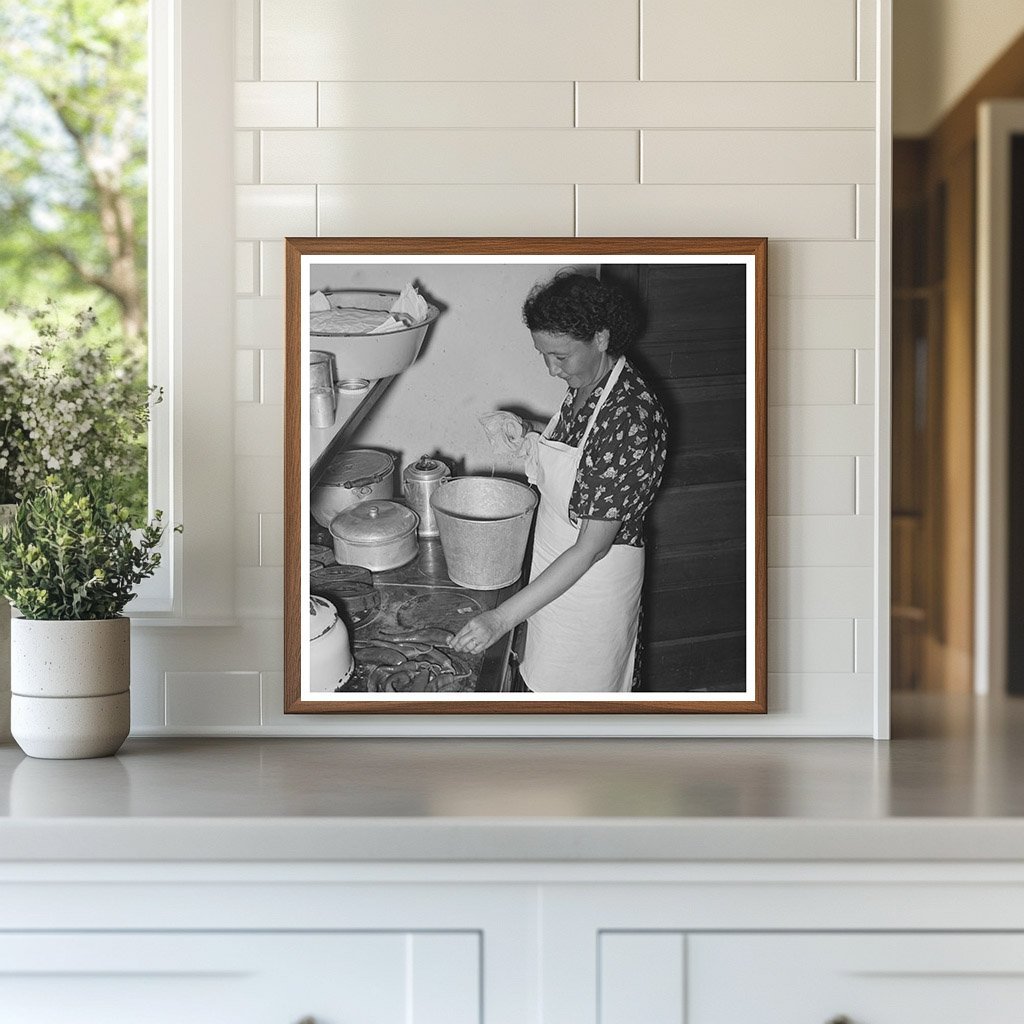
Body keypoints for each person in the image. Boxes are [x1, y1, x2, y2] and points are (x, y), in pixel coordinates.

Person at [451, 271, 668, 692]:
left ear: (601, 338)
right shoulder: (590, 383)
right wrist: (527, 431)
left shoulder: (629, 418)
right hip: (555, 567)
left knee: (581, 704)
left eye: (561, 356)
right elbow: (581, 452)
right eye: (543, 355)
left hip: (591, 586)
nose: (551, 370)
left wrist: (500, 618)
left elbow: (592, 546)